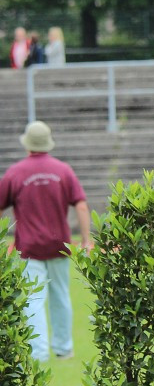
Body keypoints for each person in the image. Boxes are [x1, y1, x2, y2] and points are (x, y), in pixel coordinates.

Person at [0, 121, 91, 362]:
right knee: (61, 296)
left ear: (28, 144)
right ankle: (63, 348)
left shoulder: (16, 172)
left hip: (29, 248)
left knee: (33, 300)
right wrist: (85, 239)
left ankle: (39, 354)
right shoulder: (63, 170)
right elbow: (81, 204)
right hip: (60, 245)